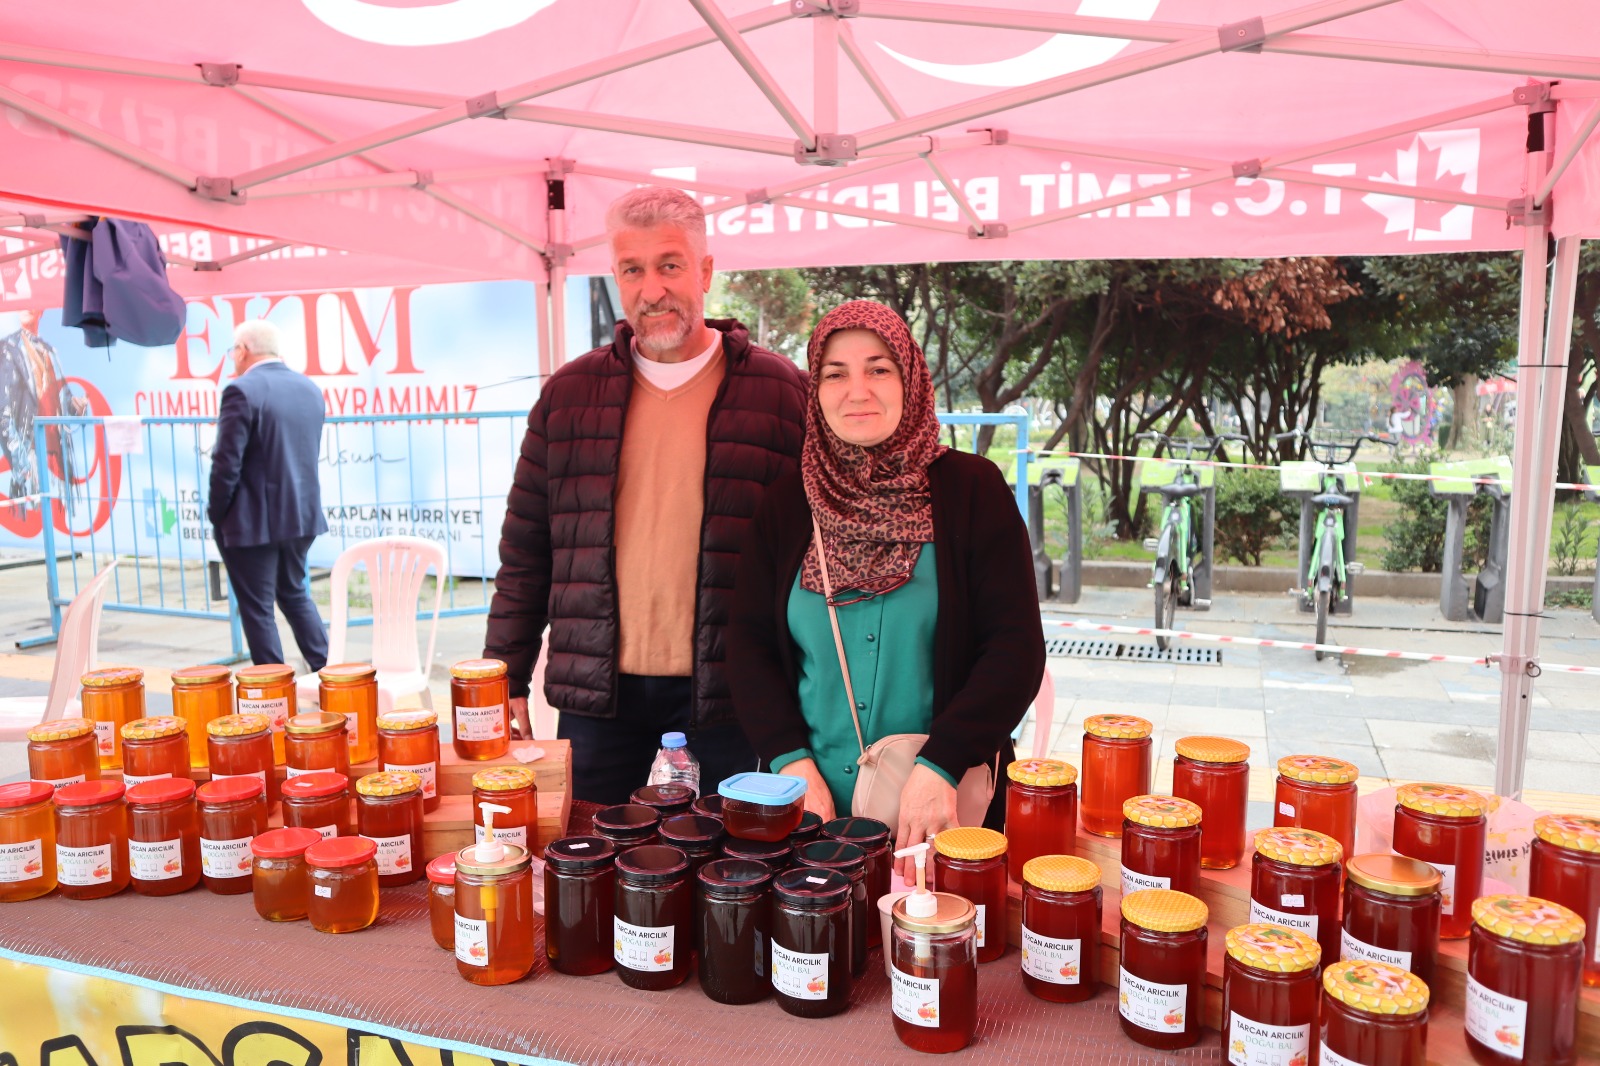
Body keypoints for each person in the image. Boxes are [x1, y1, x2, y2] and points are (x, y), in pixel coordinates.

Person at [483, 186, 807, 805]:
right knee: (592, 847)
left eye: (670, 265)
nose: (651, 289)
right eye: (633, 269)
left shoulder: (780, 392)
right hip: (597, 696)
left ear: (705, 272)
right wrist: (506, 675)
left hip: (732, 692)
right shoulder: (569, 396)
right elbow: (526, 551)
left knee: (724, 856)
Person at [728, 300, 1045, 873]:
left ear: (911, 379)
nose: (858, 391)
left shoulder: (972, 491)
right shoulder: (788, 504)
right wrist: (790, 765)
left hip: (940, 810)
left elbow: (1014, 649)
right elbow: (749, 648)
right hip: (812, 812)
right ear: (815, 390)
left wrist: (942, 766)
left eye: (878, 369)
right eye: (835, 374)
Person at [208, 319, 329, 671]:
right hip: (301, 517)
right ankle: (331, 677)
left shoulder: (241, 391)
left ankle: (274, 691)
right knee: (295, 595)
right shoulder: (309, 388)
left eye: (233, 351)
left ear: (242, 351)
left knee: (258, 610)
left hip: (252, 524)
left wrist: (217, 514)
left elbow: (226, 463)